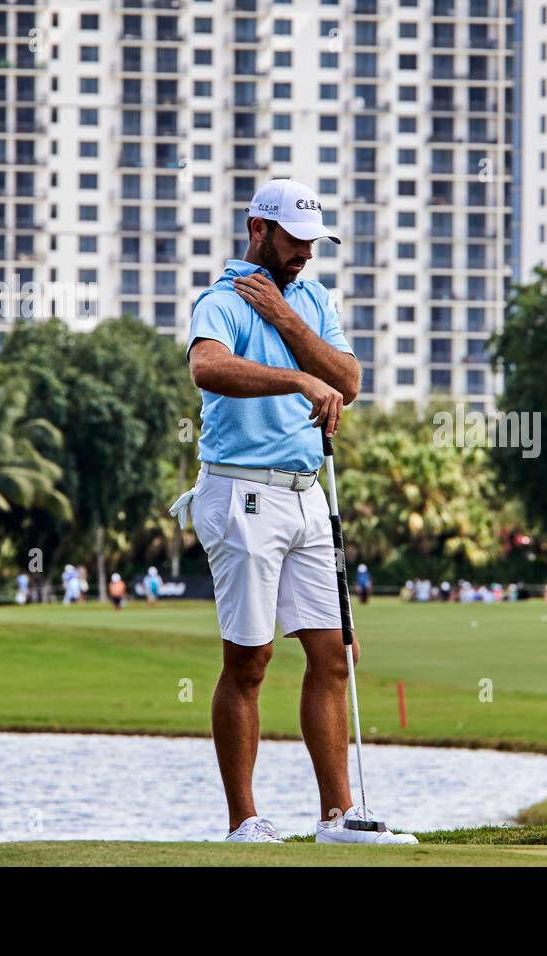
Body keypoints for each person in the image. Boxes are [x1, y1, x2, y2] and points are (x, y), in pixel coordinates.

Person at [172, 178, 416, 845]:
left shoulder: (310, 298)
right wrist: (297, 377)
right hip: (240, 494)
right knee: (248, 662)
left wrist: (288, 322)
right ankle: (243, 821)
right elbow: (207, 368)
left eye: (314, 241)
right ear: (260, 230)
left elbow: (350, 379)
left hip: (309, 494)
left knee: (335, 654)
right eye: (295, 240)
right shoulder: (223, 300)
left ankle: (338, 819)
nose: (306, 252)